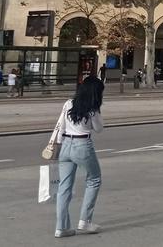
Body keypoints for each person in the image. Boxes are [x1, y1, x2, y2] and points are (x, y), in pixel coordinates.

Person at [53, 77, 105, 238]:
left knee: (64, 186)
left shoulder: (68, 103)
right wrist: (96, 112)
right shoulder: (92, 108)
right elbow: (99, 129)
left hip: (65, 145)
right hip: (82, 146)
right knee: (94, 179)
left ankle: (61, 227)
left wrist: (58, 145)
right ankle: (85, 220)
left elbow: (60, 125)